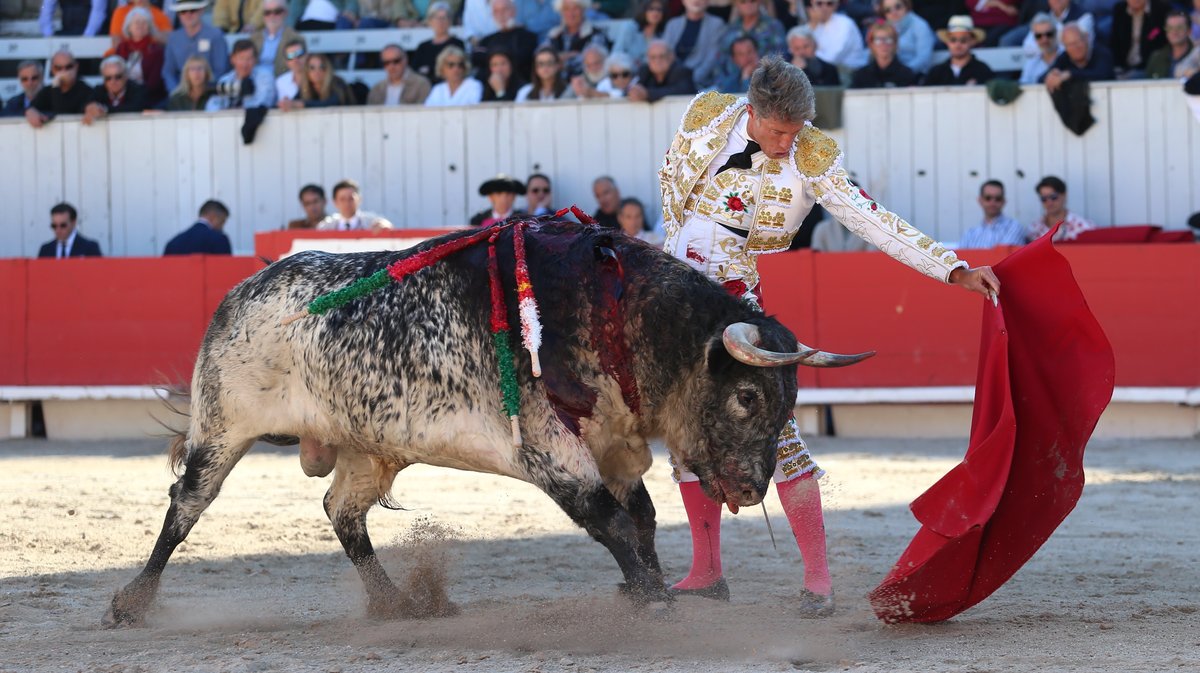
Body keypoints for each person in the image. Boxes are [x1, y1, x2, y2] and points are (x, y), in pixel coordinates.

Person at [657, 57, 1000, 614]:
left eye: (795, 132)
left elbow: (873, 219)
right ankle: (706, 570)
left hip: (735, 304)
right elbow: (675, 192)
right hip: (672, 298)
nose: (787, 143)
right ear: (753, 113)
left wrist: (951, 268)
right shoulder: (705, 113)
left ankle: (818, 580)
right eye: (778, 132)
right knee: (683, 433)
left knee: (778, 435)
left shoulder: (813, 158)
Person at [162, 0, 230, 94]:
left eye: (193, 10)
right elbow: (168, 71)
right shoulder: (173, 38)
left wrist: (205, 91)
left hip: (210, 93)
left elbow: (220, 70)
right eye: (183, 11)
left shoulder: (215, 35)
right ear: (178, 15)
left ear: (201, 11)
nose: (188, 15)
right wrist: (175, 92)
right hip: (180, 94)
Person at [717, 0, 787, 84]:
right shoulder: (730, 29)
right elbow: (721, 61)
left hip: (767, 83)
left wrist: (758, 64)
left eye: (752, 1)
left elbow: (782, 56)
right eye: (743, 2)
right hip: (732, 85)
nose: (748, 4)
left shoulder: (774, 26)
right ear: (736, 4)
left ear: (760, 2)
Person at [108, 8, 167, 106]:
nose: (140, 25)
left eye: (144, 22)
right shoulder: (122, 48)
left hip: (148, 98)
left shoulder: (156, 50)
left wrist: (136, 95)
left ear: (149, 27)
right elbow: (116, 73)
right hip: (123, 95)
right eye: (136, 22)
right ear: (129, 27)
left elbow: (154, 83)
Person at [663, 0, 728, 88]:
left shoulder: (716, 24)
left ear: (707, 2)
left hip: (702, 83)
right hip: (672, 79)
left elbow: (712, 57)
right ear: (683, 1)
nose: (696, 1)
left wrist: (691, 79)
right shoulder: (672, 24)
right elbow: (664, 53)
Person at [473, 0, 540, 81]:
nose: (501, 15)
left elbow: (520, 60)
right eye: (496, 11)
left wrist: (491, 57)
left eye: (504, 10)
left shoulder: (528, 37)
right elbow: (476, 58)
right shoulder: (487, 40)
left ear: (514, 11)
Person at [25, 51, 93, 129]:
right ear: (52, 69)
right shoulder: (47, 91)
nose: (63, 71)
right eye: (58, 68)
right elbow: (30, 107)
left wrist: (56, 84)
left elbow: (63, 114)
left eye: (69, 67)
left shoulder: (86, 90)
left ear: (76, 67)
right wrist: (30, 111)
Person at [546, 0, 613, 77]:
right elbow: (539, 58)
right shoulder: (554, 34)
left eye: (576, 8)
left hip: (584, 85)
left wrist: (555, 61)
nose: (571, 14)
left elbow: (587, 63)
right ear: (561, 12)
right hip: (556, 84)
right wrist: (571, 55)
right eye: (566, 9)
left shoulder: (596, 34)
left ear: (584, 10)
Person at [206, 39, 278, 111]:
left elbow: (263, 103)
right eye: (241, 58)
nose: (245, 64)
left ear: (255, 60)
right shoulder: (225, 80)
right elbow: (211, 106)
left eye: (249, 59)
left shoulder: (264, 77)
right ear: (232, 59)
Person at [923, 15, 995, 85]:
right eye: (953, 40)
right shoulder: (936, 72)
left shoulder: (982, 70)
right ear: (947, 42)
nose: (958, 45)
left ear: (972, 41)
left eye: (963, 40)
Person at [1042, 22, 1115, 90]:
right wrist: (1053, 75)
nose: (1075, 47)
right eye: (1070, 44)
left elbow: (1102, 75)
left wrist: (1070, 75)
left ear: (1086, 38)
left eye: (1077, 42)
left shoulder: (1102, 53)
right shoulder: (1064, 57)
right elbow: (1041, 79)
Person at [411, 2, 467, 85]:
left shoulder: (458, 44)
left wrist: (428, 70)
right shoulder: (423, 47)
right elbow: (415, 72)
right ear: (430, 21)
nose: (440, 22)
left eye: (444, 18)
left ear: (450, 21)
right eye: (437, 18)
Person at [1109, 0, 1168, 78]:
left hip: (1149, 66)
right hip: (1124, 66)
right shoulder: (1120, 9)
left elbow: (1162, 42)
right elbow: (1115, 42)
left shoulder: (1161, 9)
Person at [959, 180, 1026, 248]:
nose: (992, 202)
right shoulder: (969, 233)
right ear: (980, 200)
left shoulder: (1014, 227)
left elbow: (1004, 256)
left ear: (1004, 201)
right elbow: (960, 257)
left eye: (998, 199)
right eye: (988, 198)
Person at [83, 56, 148, 125]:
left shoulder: (138, 89)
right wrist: (89, 107)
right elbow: (84, 106)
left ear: (126, 76)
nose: (113, 81)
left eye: (118, 76)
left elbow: (135, 108)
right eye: (108, 78)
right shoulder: (98, 90)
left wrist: (104, 109)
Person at [850, 21, 917, 88]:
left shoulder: (906, 74)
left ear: (895, 44)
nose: (883, 44)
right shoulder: (861, 75)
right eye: (878, 40)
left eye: (888, 39)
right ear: (871, 44)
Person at [627, 39, 698, 101]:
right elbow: (632, 87)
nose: (657, 61)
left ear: (671, 56)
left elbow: (681, 91)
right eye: (653, 57)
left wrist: (647, 94)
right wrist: (634, 91)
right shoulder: (644, 70)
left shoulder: (682, 71)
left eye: (662, 56)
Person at [1027, 175, 1094, 241]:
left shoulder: (1083, 227)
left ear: (1064, 195)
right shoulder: (1033, 229)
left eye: (1053, 197)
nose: (1049, 202)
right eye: (1044, 198)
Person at [806, 0, 868, 70]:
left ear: (836, 5)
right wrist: (813, 24)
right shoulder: (813, 24)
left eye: (829, 4)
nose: (824, 8)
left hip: (849, 71)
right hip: (826, 67)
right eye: (819, 3)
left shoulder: (845, 24)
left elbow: (833, 57)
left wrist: (806, 55)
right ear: (812, 4)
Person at [251, 0, 304, 78]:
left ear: (285, 13)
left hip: (282, 84)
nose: (272, 16)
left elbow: (298, 67)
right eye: (267, 13)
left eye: (277, 12)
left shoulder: (296, 38)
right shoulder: (253, 39)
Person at [367, 44, 433, 104]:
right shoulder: (376, 89)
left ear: (406, 60)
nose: (391, 66)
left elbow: (423, 113)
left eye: (396, 61)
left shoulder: (421, 84)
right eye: (386, 63)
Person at [882, 0, 934, 74]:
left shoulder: (920, 25)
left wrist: (904, 72)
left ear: (906, 6)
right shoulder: (884, 27)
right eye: (888, 10)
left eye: (897, 7)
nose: (893, 12)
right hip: (889, 74)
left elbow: (924, 57)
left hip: (915, 76)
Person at [318, 179, 394, 230]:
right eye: (342, 199)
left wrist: (385, 226)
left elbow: (387, 226)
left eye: (351, 199)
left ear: (359, 199)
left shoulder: (372, 222)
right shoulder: (326, 226)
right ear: (335, 202)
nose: (347, 203)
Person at [611, 0, 668, 67]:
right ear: (644, 11)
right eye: (651, 9)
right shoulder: (630, 27)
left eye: (659, 10)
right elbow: (617, 53)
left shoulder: (662, 35)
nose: (655, 12)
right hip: (625, 71)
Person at [164, 200, 233, 255]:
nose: (222, 227)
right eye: (222, 221)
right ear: (213, 216)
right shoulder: (219, 239)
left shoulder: (173, 243)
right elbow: (226, 269)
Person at [1146, 11, 1200, 79]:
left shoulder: (1197, 55)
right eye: (1170, 28)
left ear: (1189, 31)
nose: (1174, 31)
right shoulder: (1156, 58)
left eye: (1179, 27)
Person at [38, 203, 103, 258]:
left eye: (63, 225)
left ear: (73, 223)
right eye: (54, 226)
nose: (58, 230)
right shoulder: (45, 250)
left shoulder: (90, 248)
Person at [290, 53, 356, 108]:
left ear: (327, 69)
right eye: (312, 68)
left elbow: (331, 104)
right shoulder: (305, 87)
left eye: (322, 67)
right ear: (307, 71)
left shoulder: (337, 83)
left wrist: (303, 104)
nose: (317, 72)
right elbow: (295, 101)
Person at [1020, 13, 1063, 84]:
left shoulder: (1068, 57)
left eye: (1049, 34)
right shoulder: (1031, 64)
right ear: (1034, 38)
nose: (1044, 40)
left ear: (1055, 33)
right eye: (1039, 36)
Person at [108, 0, 172, 40]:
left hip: (151, 56)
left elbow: (169, 40)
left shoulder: (160, 15)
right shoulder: (120, 12)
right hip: (123, 57)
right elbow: (116, 42)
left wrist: (152, 30)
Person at [39, 0, 106, 36]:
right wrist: (48, 35)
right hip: (67, 31)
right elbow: (45, 9)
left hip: (92, 33)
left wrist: (88, 36)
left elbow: (99, 11)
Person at [274, 39, 308, 104]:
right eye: (291, 56)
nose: (296, 60)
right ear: (286, 62)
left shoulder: (318, 76)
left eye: (299, 54)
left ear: (306, 55)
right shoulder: (280, 82)